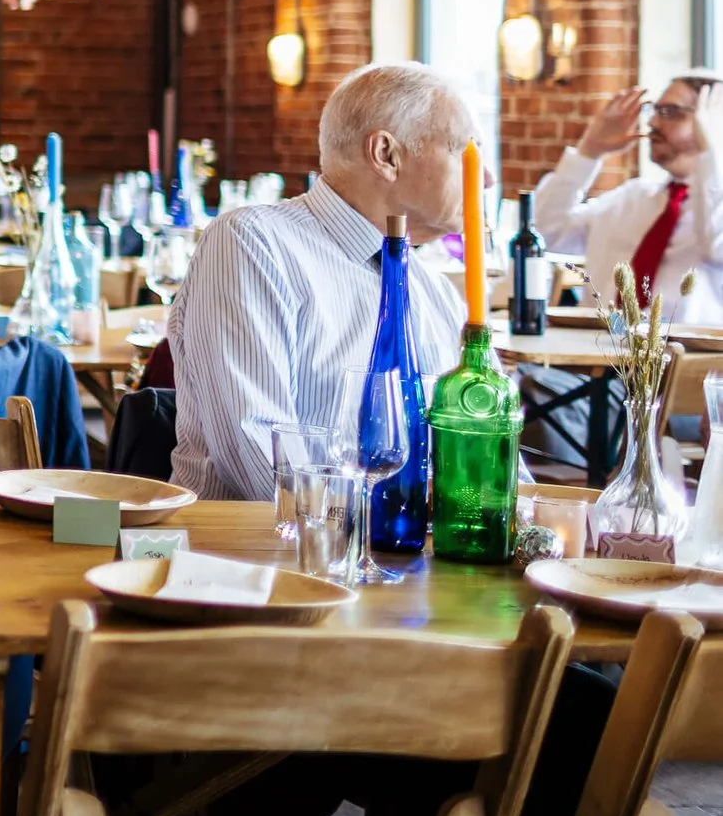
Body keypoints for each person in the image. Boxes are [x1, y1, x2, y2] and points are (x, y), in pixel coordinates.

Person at [167, 60, 475, 502]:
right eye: (461, 150)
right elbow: (259, 456)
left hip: (411, 561)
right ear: (386, 154)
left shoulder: (435, 291)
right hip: (252, 559)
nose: (484, 177)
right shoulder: (255, 244)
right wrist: (368, 544)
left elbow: (485, 457)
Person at [535, 74, 723, 323]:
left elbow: (716, 248)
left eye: (670, 112)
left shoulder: (714, 213)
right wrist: (589, 151)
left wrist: (711, 152)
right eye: (654, 110)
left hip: (688, 360)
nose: (653, 122)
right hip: (590, 355)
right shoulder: (632, 197)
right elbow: (546, 233)